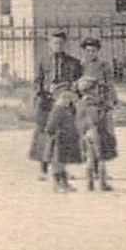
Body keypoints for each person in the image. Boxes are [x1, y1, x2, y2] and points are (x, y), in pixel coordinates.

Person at [30, 30, 84, 190]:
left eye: (60, 43)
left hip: (64, 101)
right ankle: (44, 168)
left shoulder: (74, 63)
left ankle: (62, 170)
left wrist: (68, 91)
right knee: (44, 134)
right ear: (50, 44)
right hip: (46, 101)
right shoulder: (44, 61)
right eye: (54, 43)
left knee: (63, 137)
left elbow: (78, 84)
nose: (57, 46)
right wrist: (44, 90)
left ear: (65, 44)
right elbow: (37, 81)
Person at [75, 37, 118, 191]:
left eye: (93, 50)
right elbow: (75, 86)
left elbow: (110, 85)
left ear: (98, 51)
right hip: (85, 108)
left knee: (102, 140)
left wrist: (111, 102)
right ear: (84, 51)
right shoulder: (80, 66)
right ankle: (91, 177)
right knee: (88, 142)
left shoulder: (104, 66)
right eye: (88, 50)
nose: (91, 53)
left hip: (101, 106)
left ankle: (100, 177)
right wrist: (80, 89)